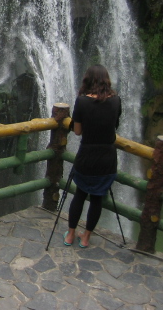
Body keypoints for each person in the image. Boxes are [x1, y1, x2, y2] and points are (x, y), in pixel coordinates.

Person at [64, 64, 122, 248]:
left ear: (87, 80)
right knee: (97, 197)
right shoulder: (116, 100)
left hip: (86, 157)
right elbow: (115, 125)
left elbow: (78, 132)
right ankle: (86, 237)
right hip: (107, 158)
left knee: (80, 195)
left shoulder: (82, 102)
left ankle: (70, 235)